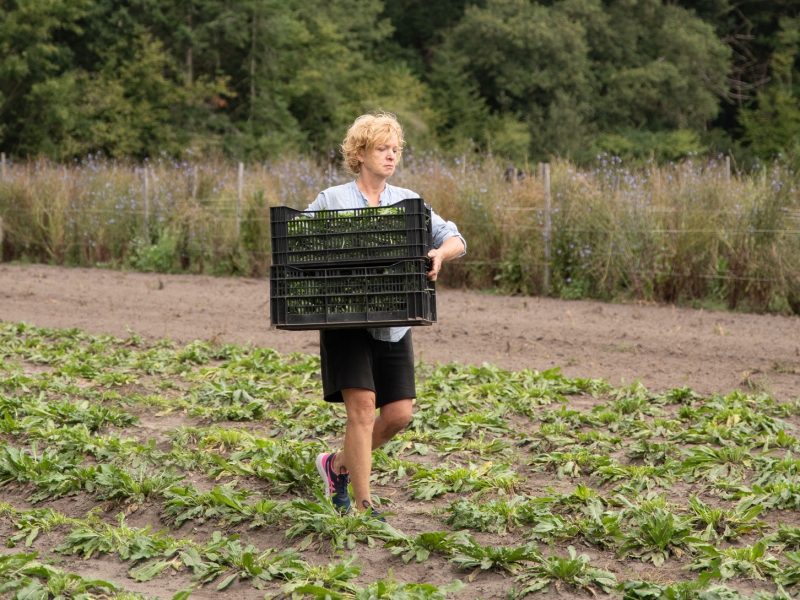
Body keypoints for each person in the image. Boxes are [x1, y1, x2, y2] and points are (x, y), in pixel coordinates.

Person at [311, 113, 466, 517]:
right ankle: (363, 507)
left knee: (398, 415)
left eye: (395, 149)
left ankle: (337, 464)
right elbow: (299, 241)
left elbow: (453, 238)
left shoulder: (408, 202)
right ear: (360, 153)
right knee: (362, 408)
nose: (391, 156)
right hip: (345, 319)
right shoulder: (331, 200)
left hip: (394, 320)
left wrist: (440, 254)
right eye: (383, 148)